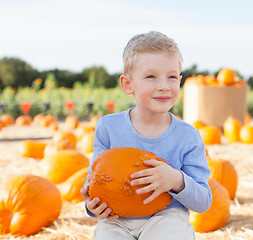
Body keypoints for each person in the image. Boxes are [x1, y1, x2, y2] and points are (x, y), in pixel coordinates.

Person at [81, 31, 212, 240]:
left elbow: (203, 201)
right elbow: (96, 180)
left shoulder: (188, 136)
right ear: (128, 84)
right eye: (151, 76)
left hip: (166, 217)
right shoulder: (108, 127)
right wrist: (92, 206)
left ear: (179, 80)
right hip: (117, 220)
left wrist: (176, 180)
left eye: (171, 77)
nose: (163, 86)